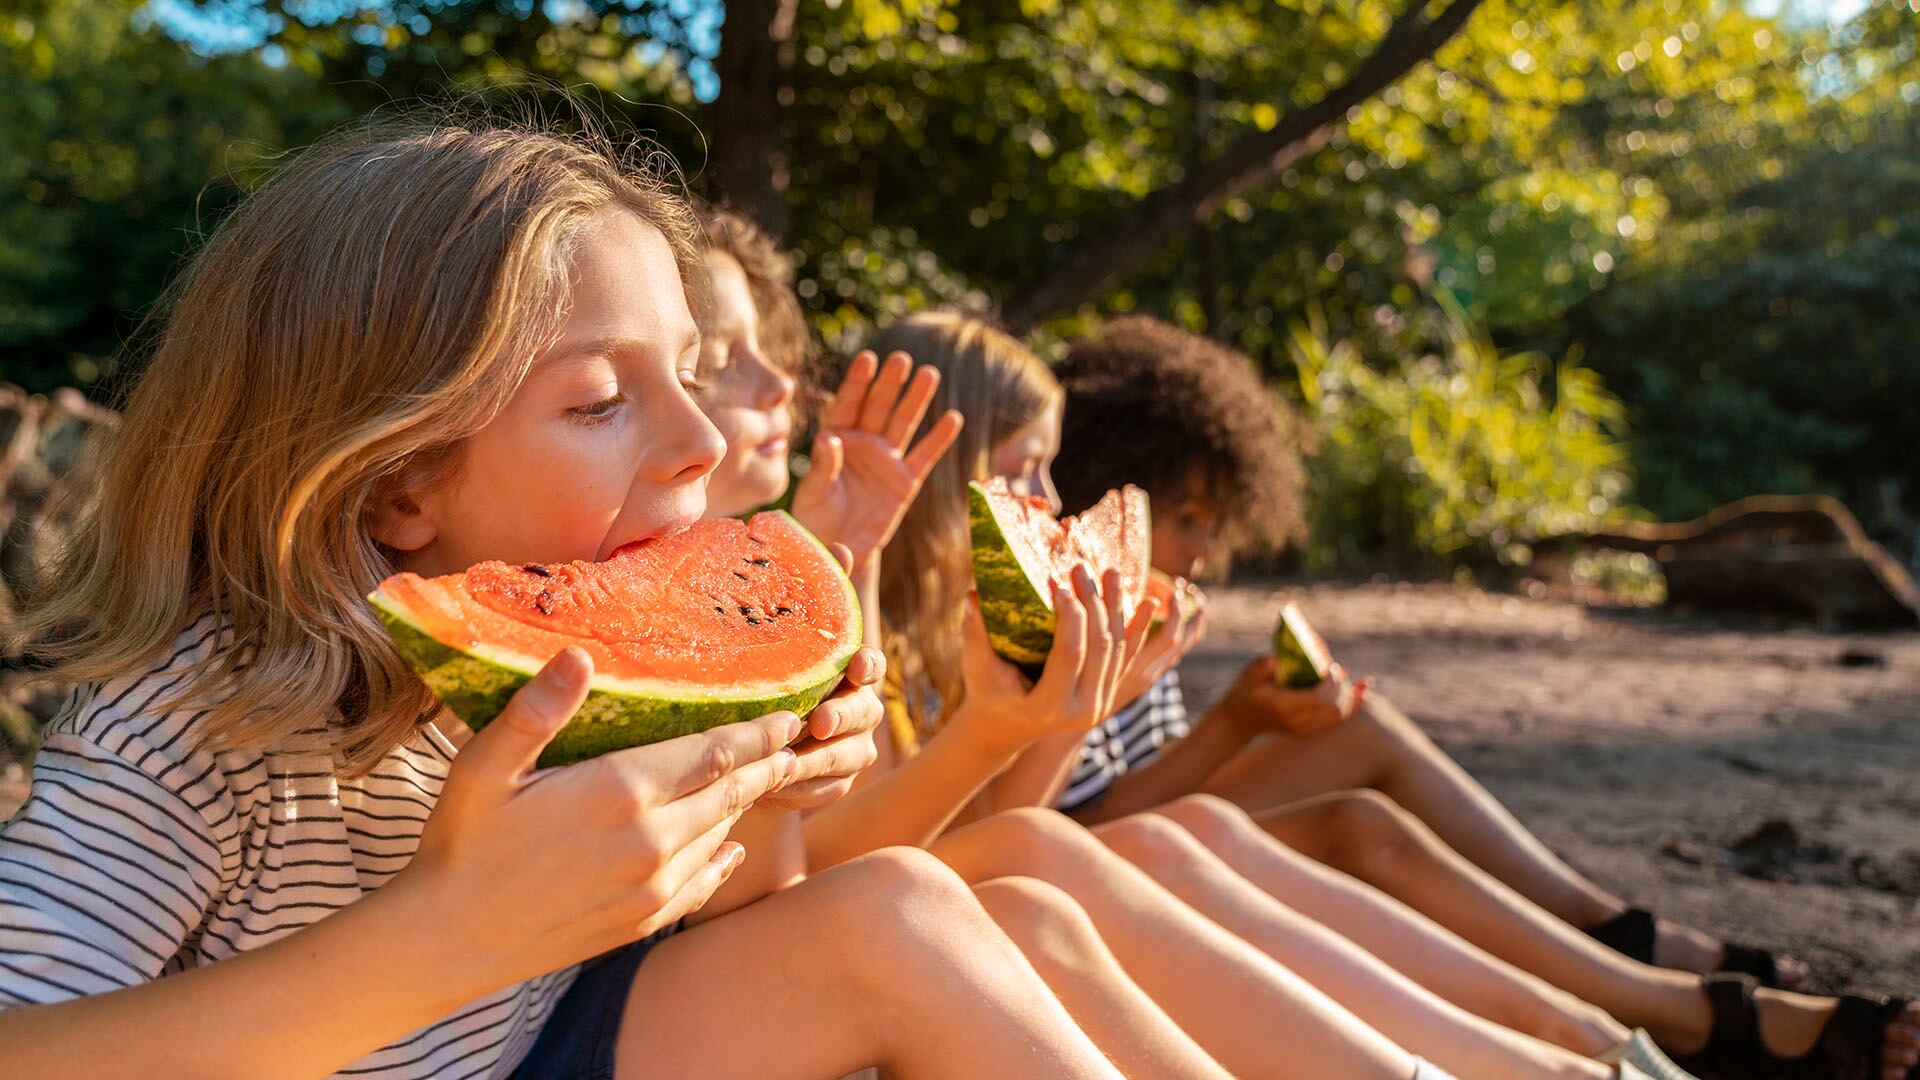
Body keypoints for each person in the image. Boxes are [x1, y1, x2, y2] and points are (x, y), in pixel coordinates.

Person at [0, 118, 1163, 1080]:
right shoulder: (190, 724)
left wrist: (769, 782)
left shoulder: (594, 667)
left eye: (691, 378)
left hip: (538, 1047)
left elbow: (756, 904)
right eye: (601, 401)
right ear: (400, 484)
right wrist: (435, 938)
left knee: (911, 911)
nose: (703, 441)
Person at [694, 271, 1682, 1079]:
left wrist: (1081, 701)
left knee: (1242, 825)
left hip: (919, 890)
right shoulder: (833, 595)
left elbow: (971, 823)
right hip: (851, 935)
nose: (1047, 495)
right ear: (942, 463)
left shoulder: (938, 605)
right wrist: (1061, 712)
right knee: (1155, 844)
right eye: (1026, 465)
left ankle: (1581, 1041)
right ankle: (1585, 1043)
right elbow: (949, 837)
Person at [1048, 313, 1920, 1080]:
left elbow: (1150, 770)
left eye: (1213, 521)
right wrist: (1237, 723)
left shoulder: (1139, 602)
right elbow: (1072, 827)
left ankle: (1620, 939)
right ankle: (1667, 997)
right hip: (1097, 855)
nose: (1201, 550)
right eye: (1185, 517)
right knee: (1359, 826)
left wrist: (1263, 717)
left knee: (1360, 730)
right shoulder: (1052, 610)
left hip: (1151, 827)